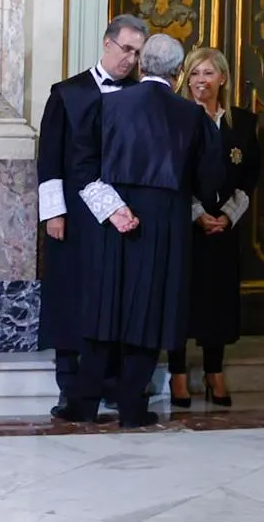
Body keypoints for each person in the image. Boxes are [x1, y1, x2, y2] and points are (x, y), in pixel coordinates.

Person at [59, 33, 224, 429]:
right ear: (179, 72)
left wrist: (114, 209)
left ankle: (83, 403)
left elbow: (80, 166)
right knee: (148, 315)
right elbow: (210, 180)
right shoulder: (192, 116)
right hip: (165, 226)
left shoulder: (107, 103)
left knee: (103, 310)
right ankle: (133, 407)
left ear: (141, 65)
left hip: (112, 220)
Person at [37, 15, 146, 415]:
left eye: (137, 53)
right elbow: (49, 157)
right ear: (107, 44)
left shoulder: (139, 95)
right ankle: (69, 382)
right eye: (126, 49)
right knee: (70, 295)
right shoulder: (67, 93)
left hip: (121, 213)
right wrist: (54, 214)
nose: (130, 59)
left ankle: (112, 383)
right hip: (74, 214)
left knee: (115, 296)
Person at [167, 47, 258, 408]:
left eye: (207, 73)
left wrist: (227, 215)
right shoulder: (176, 118)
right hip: (186, 224)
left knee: (217, 300)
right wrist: (197, 213)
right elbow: (172, 173)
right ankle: (176, 372)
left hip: (224, 226)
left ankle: (213, 371)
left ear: (222, 78)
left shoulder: (242, 122)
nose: (200, 81)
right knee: (181, 297)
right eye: (194, 73)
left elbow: (249, 177)